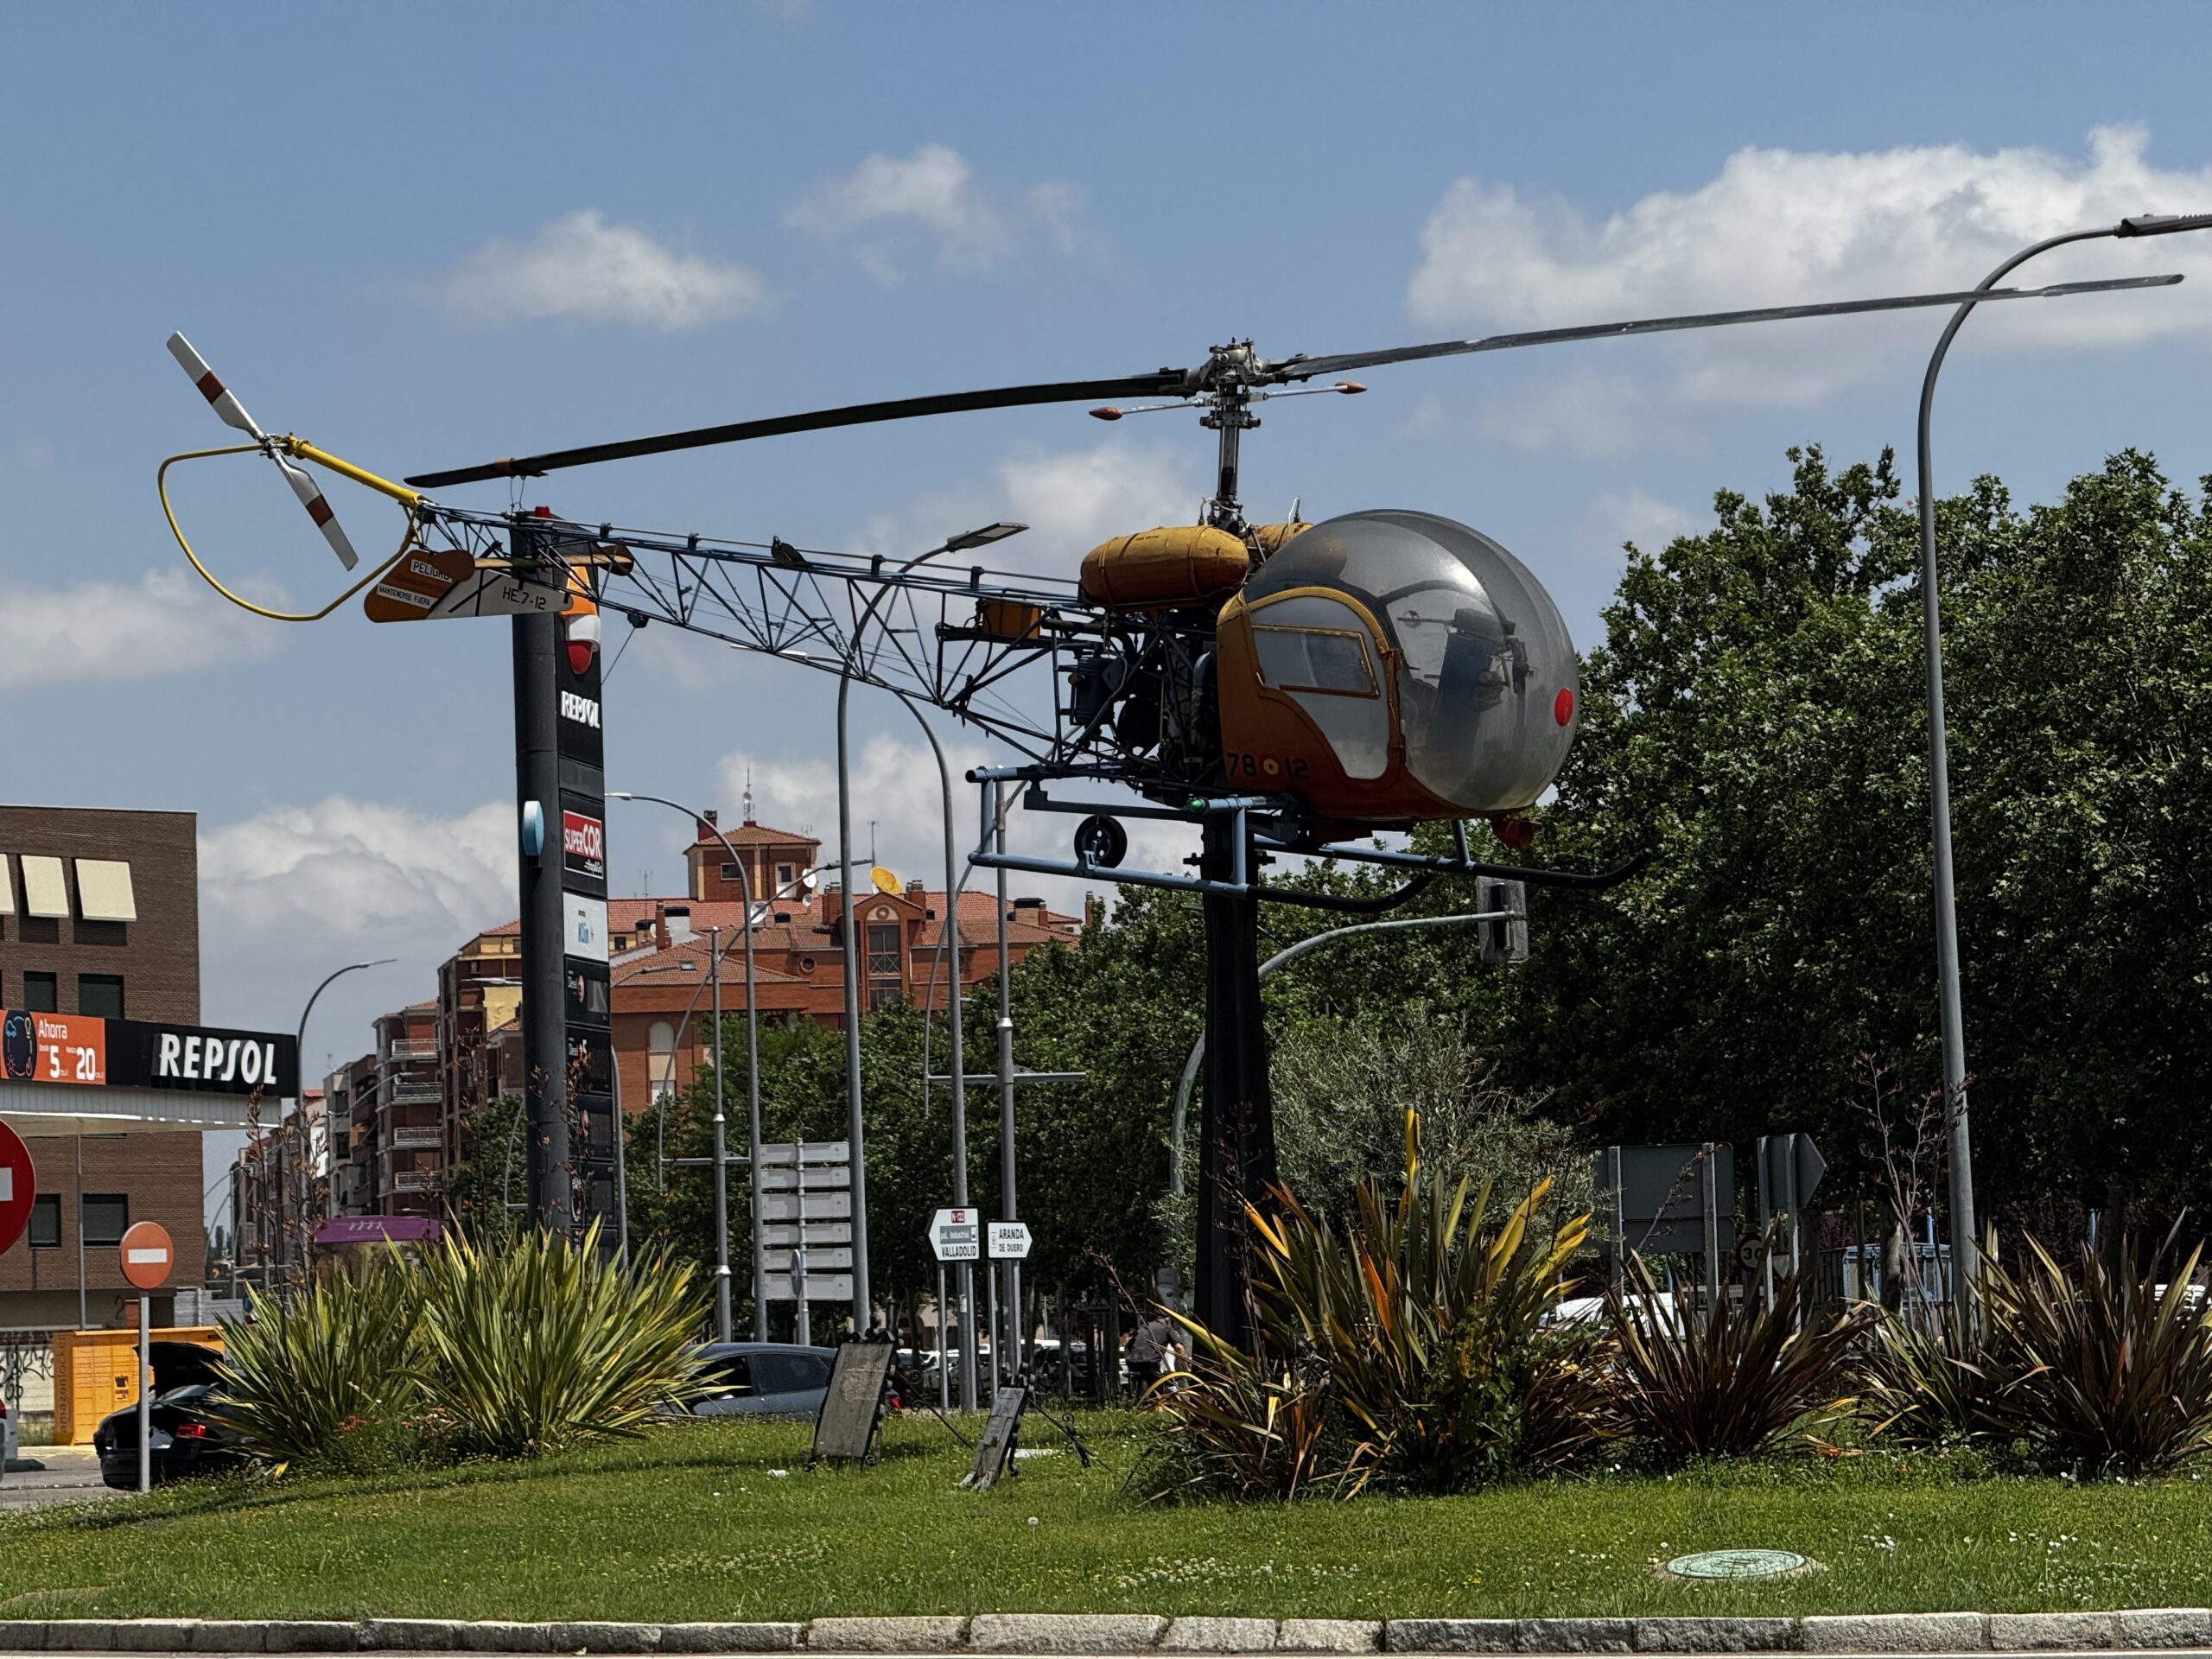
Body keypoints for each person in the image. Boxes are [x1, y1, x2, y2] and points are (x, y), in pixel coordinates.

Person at [1123, 1310, 1178, 1397]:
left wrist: (1128, 1360)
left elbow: (1127, 1346)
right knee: (1157, 1387)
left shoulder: (1143, 1328)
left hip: (1133, 1363)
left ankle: (1140, 1403)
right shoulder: (1167, 1329)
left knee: (1143, 1382)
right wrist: (1185, 1365)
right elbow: (1179, 1347)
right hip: (1150, 1363)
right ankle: (1158, 1404)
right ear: (1167, 1319)